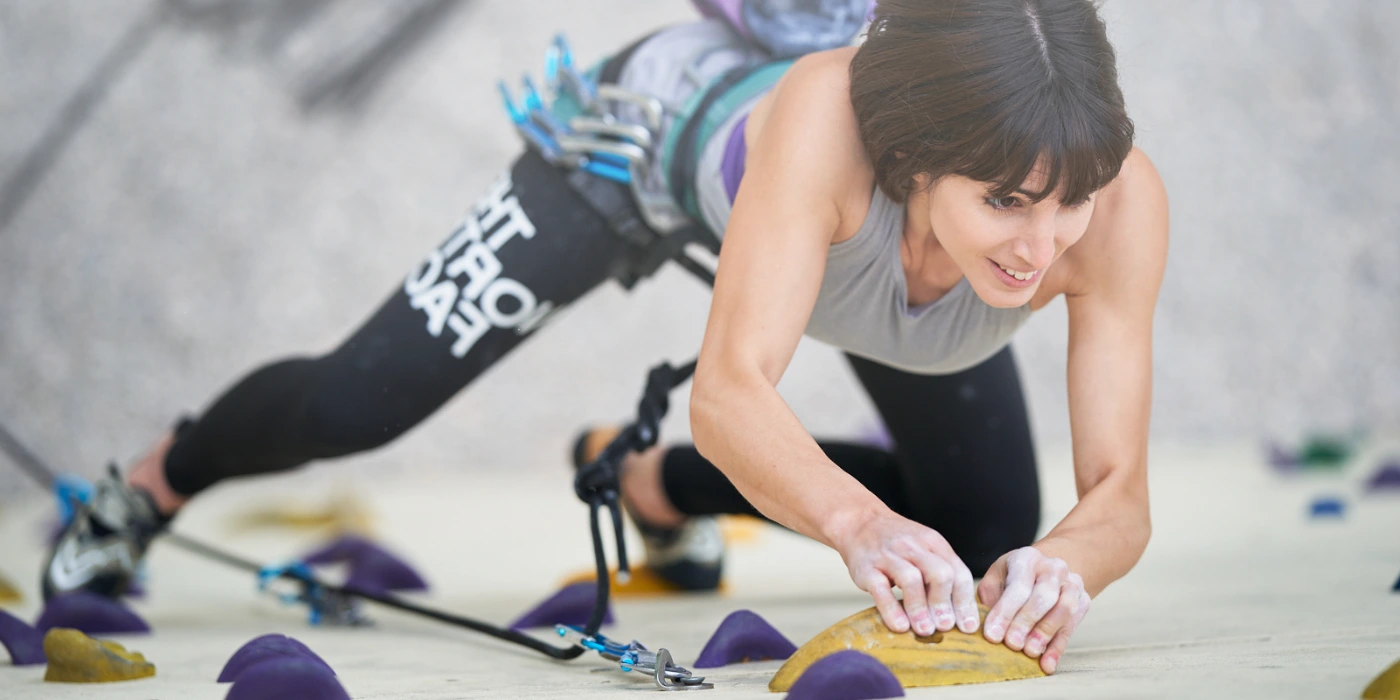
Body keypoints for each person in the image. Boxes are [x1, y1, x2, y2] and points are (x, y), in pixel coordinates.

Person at [48, 0, 1166, 676]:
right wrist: (857, 524)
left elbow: (1117, 489)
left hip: (837, 256)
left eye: (1066, 200)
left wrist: (1062, 569)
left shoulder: (1109, 208)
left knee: (985, 533)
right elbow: (731, 391)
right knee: (356, 400)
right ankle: (154, 480)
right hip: (633, 158)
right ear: (917, 163)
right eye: (1007, 203)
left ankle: (646, 488)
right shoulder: (827, 124)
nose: (1042, 243)